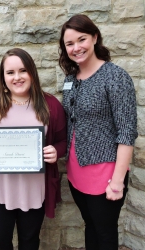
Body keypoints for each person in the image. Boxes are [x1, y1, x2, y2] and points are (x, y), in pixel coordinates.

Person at [0, 48, 67, 250]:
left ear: (32, 72)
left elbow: (62, 141)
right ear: (3, 77)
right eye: (10, 72)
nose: (17, 77)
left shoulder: (50, 105)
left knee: (29, 242)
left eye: (23, 70)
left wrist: (56, 151)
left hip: (33, 190)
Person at [59, 14, 138, 250]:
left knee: (104, 233)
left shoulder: (115, 77)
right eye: (69, 44)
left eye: (81, 39)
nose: (76, 48)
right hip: (76, 170)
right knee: (90, 225)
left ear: (94, 37)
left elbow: (127, 131)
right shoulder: (71, 78)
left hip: (105, 173)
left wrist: (117, 181)